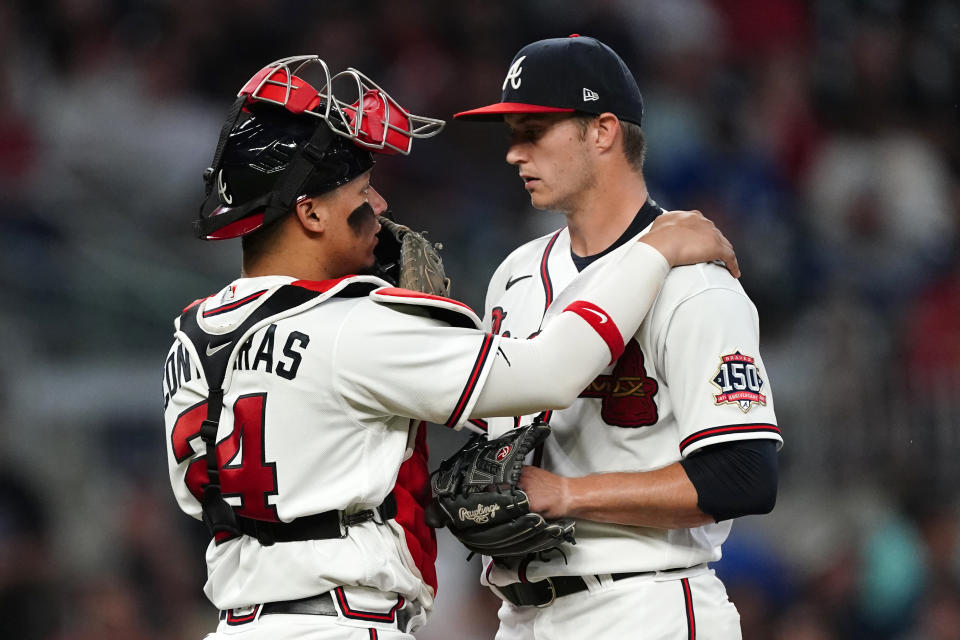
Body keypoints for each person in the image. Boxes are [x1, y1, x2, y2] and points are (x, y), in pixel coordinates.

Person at [161, 54, 738, 640]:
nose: (380, 207)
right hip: (342, 622)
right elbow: (548, 372)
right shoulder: (359, 325)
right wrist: (653, 250)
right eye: (363, 190)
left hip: (237, 621)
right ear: (308, 212)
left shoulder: (192, 335)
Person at [453, 35, 782, 639]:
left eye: (534, 131)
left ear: (602, 131)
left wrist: (571, 495)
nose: (515, 154)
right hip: (520, 614)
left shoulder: (694, 283)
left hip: (643, 600)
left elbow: (744, 476)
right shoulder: (514, 275)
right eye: (512, 135)